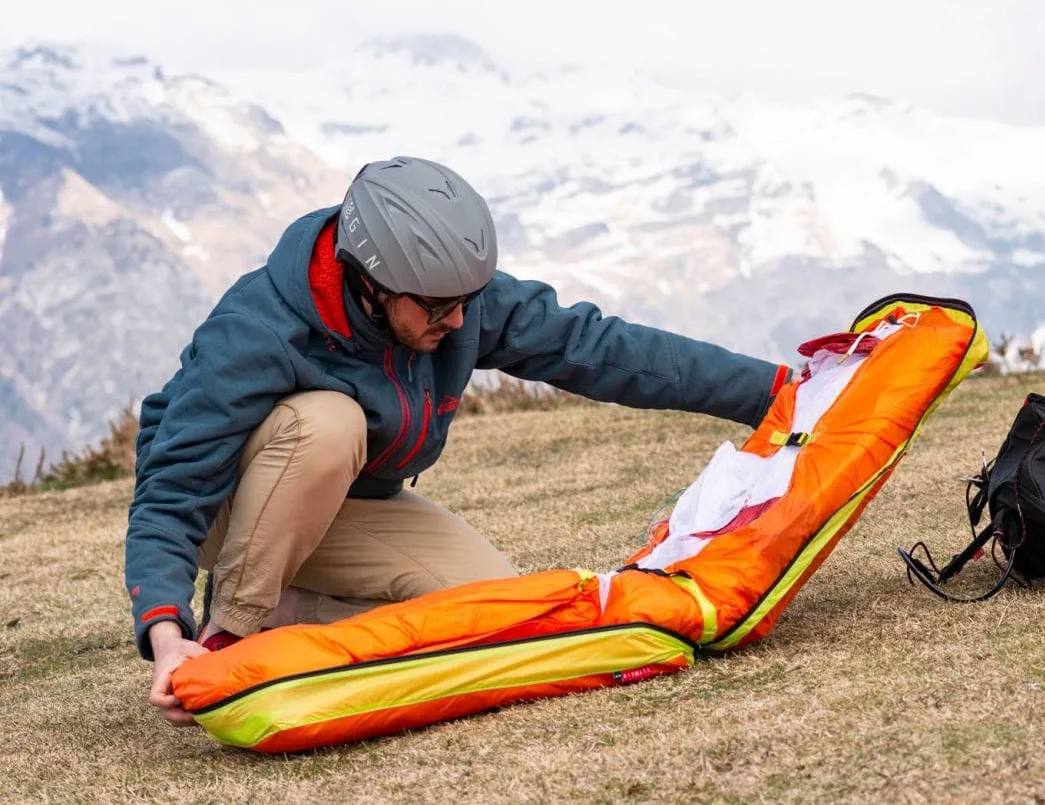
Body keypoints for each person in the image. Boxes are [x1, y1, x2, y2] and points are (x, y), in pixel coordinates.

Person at [126, 156, 791, 726]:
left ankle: (290, 609)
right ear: (372, 283)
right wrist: (166, 629)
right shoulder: (258, 329)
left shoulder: (449, 299)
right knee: (327, 424)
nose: (461, 319)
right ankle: (231, 632)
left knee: (498, 612)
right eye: (439, 306)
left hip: (340, 508)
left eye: (467, 298)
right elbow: (171, 489)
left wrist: (776, 392)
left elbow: (600, 347)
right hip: (232, 502)